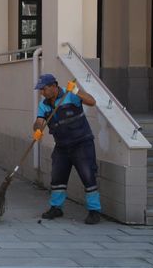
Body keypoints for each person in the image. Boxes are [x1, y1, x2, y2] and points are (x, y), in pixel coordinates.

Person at [32, 73, 101, 225]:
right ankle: (56, 207)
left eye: (43, 89)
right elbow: (39, 121)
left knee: (88, 176)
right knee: (57, 177)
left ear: (53, 87)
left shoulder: (70, 95)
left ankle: (94, 211)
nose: (42, 92)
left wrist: (76, 91)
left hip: (82, 143)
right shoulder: (44, 104)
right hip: (62, 146)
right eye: (41, 90)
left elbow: (92, 102)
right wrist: (38, 129)